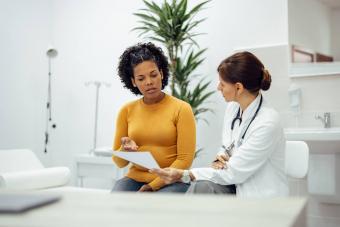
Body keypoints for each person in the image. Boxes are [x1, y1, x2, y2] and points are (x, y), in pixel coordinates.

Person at [151, 51, 289, 197]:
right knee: (201, 187)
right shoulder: (233, 108)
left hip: (258, 195)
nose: (218, 88)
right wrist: (220, 157)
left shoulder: (267, 123)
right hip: (234, 185)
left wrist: (184, 174)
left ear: (238, 88)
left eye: (222, 84)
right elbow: (226, 147)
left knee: (200, 188)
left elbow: (233, 172)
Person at [111, 42, 196, 193]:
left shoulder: (182, 109)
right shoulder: (126, 110)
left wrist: (152, 186)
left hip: (172, 180)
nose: (149, 82)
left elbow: (184, 160)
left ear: (161, 74)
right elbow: (119, 162)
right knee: (117, 198)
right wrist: (125, 150)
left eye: (153, 75)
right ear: (133, 82)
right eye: (141, 78)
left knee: (156, 208)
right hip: (135, 178)